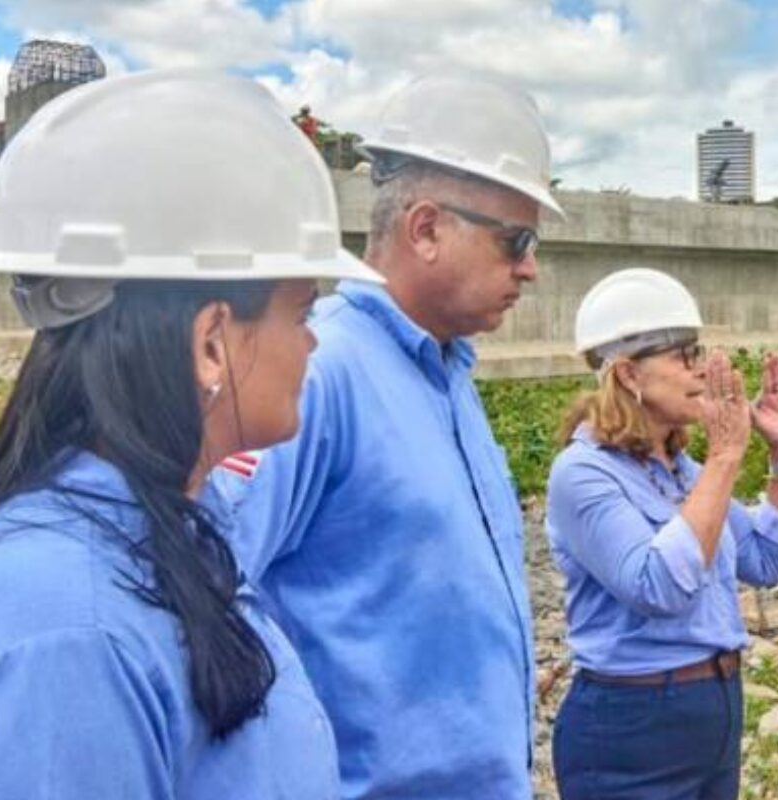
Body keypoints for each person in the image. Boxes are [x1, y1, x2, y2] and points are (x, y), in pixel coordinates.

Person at [0, 70, 382, 799]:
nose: (314, 345)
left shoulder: (162, 539)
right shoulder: (63, 637)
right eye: (302, 314)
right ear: (211, 343)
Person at [216, 74, 562, 798]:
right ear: (427, 228)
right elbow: (209, 595)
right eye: (515, 241)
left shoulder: (446, 375)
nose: (530, 268)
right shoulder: (321, 374)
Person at [545, 268, 778, 799]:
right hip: (633, 724)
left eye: (699, 351)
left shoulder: (681, 470)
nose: (702, 369)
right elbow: (657, 587)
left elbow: (768, 558)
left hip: (713, 709)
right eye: (683, 355)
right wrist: (725, 456)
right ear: (628, 374)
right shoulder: (584, 473)